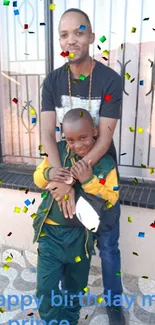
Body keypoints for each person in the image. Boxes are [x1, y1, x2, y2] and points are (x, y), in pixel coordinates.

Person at [40, 8, 125, 325]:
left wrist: (75, 178)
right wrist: (60, 176)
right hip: (63, 175)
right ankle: (66, 303)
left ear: (90, 36)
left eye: (78, 32)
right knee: (65, 242)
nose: (70, 39)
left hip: (99, 176)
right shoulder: (52, 81)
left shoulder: (110, 80)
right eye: (63, 34)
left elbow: (103, 139)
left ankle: (114, 305)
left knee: (107, 245)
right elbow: (48, 133)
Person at [33, 108, 120, 325]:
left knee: (74, 287)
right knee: (46, 287)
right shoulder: (58, 151)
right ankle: (52, 321)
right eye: (71, 140)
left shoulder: (105, 164)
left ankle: (70, 320)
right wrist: (49, 173)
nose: (77, 145)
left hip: (81, 239)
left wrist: (89, 181)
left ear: (94, 132)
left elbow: (112, 197)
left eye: (83, 138)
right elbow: (38, 178)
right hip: (50, 234)